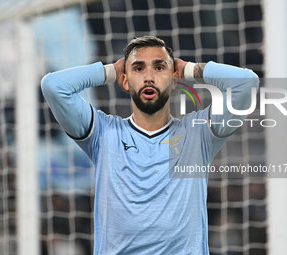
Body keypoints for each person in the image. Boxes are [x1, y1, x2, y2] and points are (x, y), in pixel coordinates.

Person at [41, 35, 259, 255]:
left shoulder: (198, 132)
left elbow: (247, 83)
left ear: (174, 79)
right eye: (138, 69)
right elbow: (54, 86)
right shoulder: (103, 132)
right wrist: (110, 71)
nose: (149, 77)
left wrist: (188, 69)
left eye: (159, 67)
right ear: (125, 81)